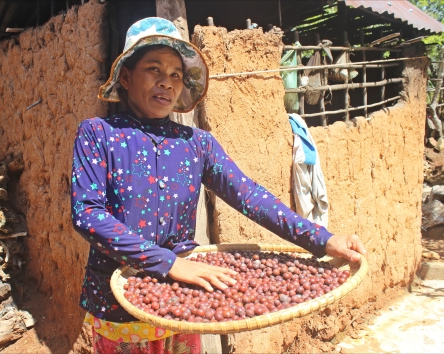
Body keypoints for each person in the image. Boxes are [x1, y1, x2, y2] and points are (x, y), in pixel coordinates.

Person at [71, 17, 367, 354]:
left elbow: (251, 197)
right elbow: (87, 214)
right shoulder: (98, 134)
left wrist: (323, 239)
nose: (166, 83)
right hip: (118, 300)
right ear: (126, 76)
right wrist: (169, 263)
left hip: (185, 299)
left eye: (176, 75)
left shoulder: (197, 143)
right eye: (154, 69)